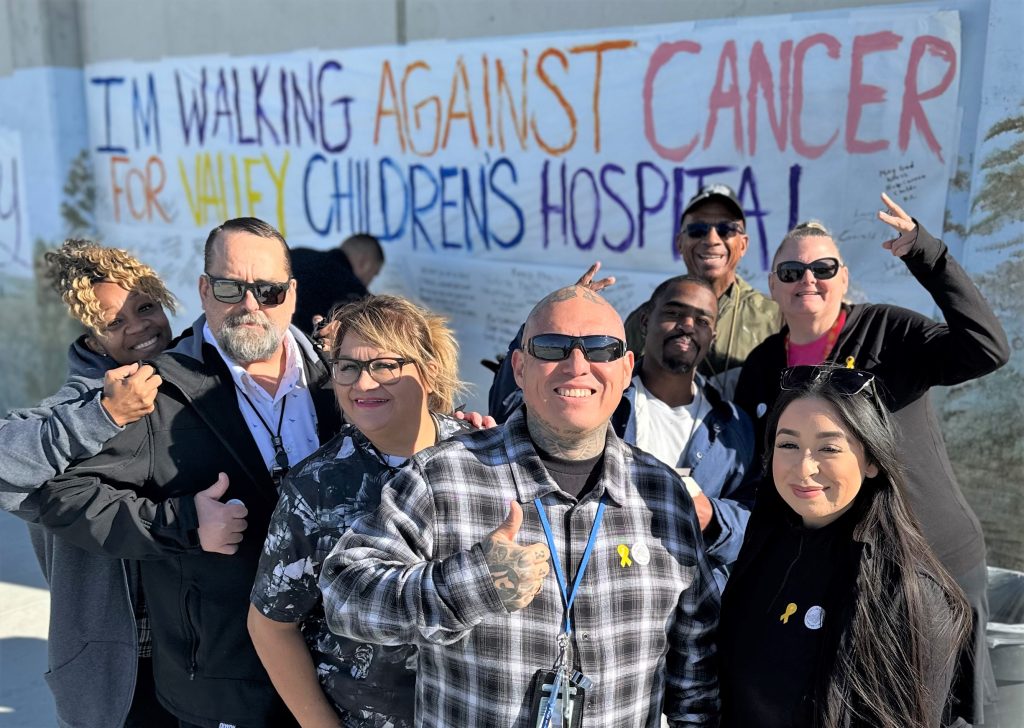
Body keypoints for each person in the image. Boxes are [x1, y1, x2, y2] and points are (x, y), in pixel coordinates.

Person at [320, 285, 719, 727]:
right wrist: (464, 586)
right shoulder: (443, 477)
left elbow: (695, 680)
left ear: (626, 369)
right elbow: (343, 595)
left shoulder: (662, 495)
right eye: (553, 347)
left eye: (600, 349)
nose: (577, 365)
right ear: (520, 367)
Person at [25, 218, 343, 727]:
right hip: (226, 689)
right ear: (203, 289)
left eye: (268, 290)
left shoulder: (341, 377)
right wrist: (183, 522)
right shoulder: (154, 393)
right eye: (229, 287)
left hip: (342, 675)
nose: (250, 305)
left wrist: (453, 435)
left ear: (292, 292)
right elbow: (51, 492)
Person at [734, 193, 1010, 725]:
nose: (806, 279)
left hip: (936, 554)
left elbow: (986, 349)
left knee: (953, 706)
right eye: (791, 270)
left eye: (823, 268)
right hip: (845, 568)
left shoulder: (887, 332)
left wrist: (927, 255)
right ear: (772, 286)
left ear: (843, 280)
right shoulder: (763, 365)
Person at [247, 294, 472, 727]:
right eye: (347, 366)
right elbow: (271, 626)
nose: (362, 384)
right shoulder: (315, 488)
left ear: (427, 370)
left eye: (385, 365)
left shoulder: (482, 456)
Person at [719, 365, 971, 728]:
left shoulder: (906, 590)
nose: (804, 468)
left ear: (871, 460)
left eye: (829, 448)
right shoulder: (761, 549)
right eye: (788, 444)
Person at [0, 239, 174, 728]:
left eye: (146, 307)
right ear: (92, 338)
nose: (139, 327)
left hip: (201, 660)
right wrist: (103, 416)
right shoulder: (77, 406)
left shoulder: (199, 385)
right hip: (115, 679)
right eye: (114, 322)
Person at [488, 184, 777, 418]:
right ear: (680, 243)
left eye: (726, 229)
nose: (712, 239)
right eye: (698, 230)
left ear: (744, 243)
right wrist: (563, 314)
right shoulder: (648, 318)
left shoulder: (774, 316)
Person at [619, 275, 755, 589]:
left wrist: (713, 518)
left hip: (695, 613)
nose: (687, 325)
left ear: (712, 335)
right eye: (674, 314)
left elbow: (755, 516)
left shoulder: (735, 427)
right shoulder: (605, 402)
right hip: (612, 599)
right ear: (645, 321)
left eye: (702, 320)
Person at [291, 233, 384, 334]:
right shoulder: (351, 287)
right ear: (364, 264)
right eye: (374, 274)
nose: (370, 281)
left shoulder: (297, 254)